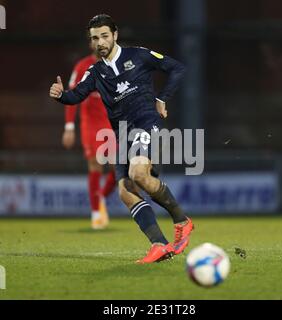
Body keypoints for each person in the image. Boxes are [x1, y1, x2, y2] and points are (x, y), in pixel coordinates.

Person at [50, 14, 194, 264]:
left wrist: (162, 99)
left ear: (115, 35)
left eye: (104, 35)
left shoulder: (138, 55)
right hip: (122, 134)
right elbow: (76, 97)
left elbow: (177, 68)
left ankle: (182, 221)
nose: (100, 42)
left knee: (139, 174)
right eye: (95, 38)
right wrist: (61, 95)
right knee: (125, 191)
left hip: (145, 123)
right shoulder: (94, 72)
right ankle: (159, 245)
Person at [62, 43, 116, 230]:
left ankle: (99, 197)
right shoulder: (82, 66)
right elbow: (71, 96)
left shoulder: (118, 64)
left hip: (112, 122)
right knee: (95, 164)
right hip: (91, 122)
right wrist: (69, 127)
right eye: (95, 38)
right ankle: (96, 214)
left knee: (120, 167)